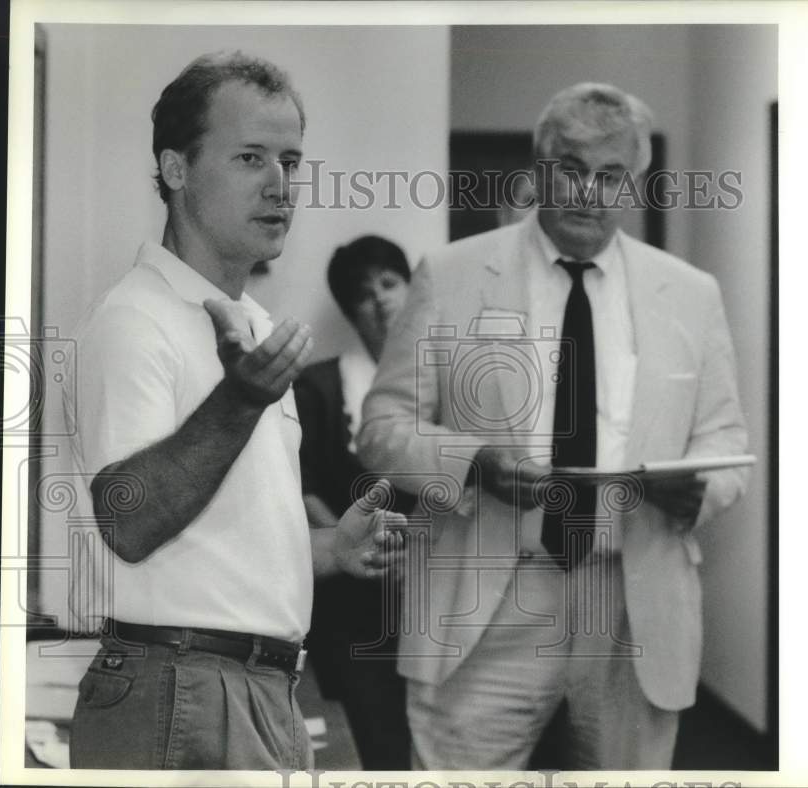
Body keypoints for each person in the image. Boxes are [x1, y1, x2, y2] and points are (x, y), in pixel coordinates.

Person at [358, 82, 749, 770]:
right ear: (539, 171)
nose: (588, 194)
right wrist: (474, 463)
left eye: (610, 175)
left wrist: (700, 491)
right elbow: (382, 428)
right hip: (489, 600)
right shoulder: (448, 276)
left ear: (635, 182)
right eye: (571, 170)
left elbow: (725, 443)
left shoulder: (690, 293)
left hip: (633, 602)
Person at [63, 51, 403, 771]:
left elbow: (220, 551)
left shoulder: (247, 320)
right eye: (251, 157)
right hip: (182, 689)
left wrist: (332, 549)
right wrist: (240, 400)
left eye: (291, 161)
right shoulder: (135, 320)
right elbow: (127, 520)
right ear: (177, 169)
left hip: (254, 687)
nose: (281, 186)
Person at [294, 235, 413, 769]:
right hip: (353, 602)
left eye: (390, 284)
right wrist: (352, 543)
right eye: (364, 294)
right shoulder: (319, 385)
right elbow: (301, 484)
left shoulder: (450, 380)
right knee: (373, 743)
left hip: (438, 595)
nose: (381, 301)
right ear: (349, 310)